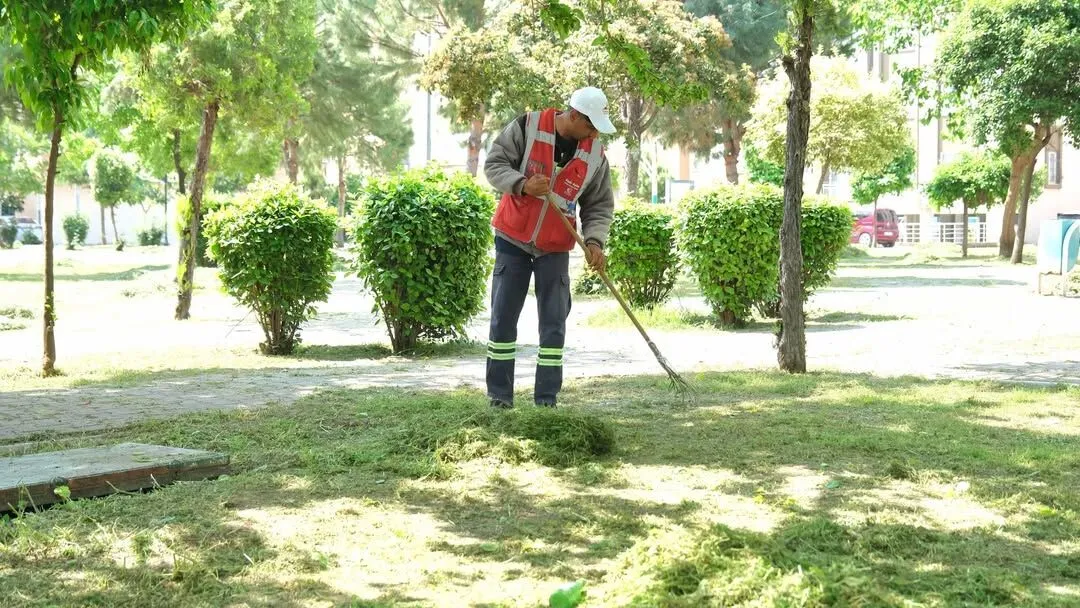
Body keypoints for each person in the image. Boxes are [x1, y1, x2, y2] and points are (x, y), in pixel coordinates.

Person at [482, 86, 617, 409]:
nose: (594, 134)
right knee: (503, 320)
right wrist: (522, 184)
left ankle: (546, 401)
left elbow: (599, 205)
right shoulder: (528, 126)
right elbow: (494, 165)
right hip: (513, 238)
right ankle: (499, 398)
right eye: (590, 126)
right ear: (574, 115)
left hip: (555, 246)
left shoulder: (595, 155)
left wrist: (595, 241)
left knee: (554, 325)